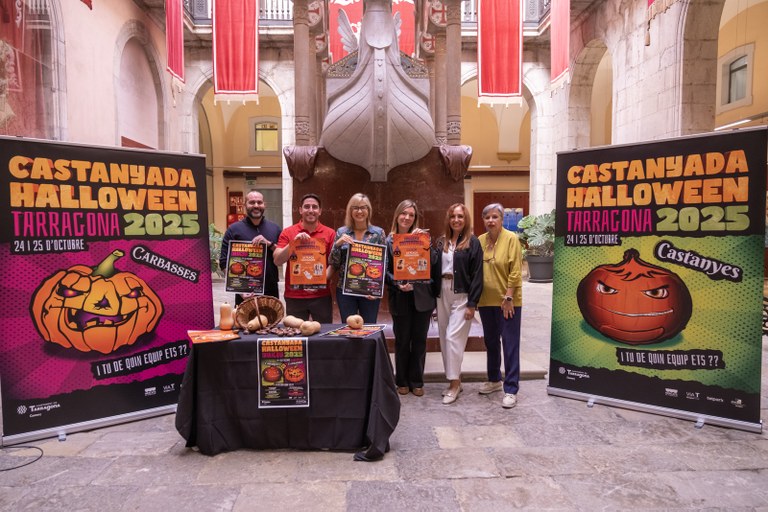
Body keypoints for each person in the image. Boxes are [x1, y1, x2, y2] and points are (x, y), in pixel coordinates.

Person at [385, 200, 439, 397]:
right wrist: (397, 283)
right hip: (400, 297)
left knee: (419, 341)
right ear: (397, 215)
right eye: (404, 213)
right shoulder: (388, 241)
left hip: (422, 298)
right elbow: (383, 271)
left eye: (411, 215)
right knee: (402, 341)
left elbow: (434, 263)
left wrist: (427, 244)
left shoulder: (422, 238)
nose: (407, 217)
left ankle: (417, 380)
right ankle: (401, 381)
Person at [434, 203, 483, 405]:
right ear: (448, 219)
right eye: (453, 216)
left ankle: (454, 385)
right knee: (444, 339)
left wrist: (472, 304)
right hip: (441, 294)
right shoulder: (441, 242)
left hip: (462, 294)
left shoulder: (473, 242)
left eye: (460, 216)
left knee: (453, 338)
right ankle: (456, 380)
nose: (456, 220)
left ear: (466, 219)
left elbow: (478, 274)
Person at [477, 203, 523, 409]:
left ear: (502, 219)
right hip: (486, 301)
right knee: (491, 342)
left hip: (508, 302)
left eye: (495, 217)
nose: (491, 220)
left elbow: (515, 271)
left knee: (510, 343)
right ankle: (494, 379)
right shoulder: (480, 241)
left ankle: (511, 388)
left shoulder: (511, 239)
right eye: (487, 217)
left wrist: (509, 297)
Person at [273, 193, 336, 323]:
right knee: (296, 333)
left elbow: (333, 264)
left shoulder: (330, 233)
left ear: (320, 211)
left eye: (314, 207)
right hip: (294, 295)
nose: (311, 210)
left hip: (321, 295)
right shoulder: (288, 232)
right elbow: (277, 260)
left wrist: (318, 282)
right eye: (307, 207)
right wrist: (293, 244)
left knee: (324, 332)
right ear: (300, 210)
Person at [329, 193, 386, 323]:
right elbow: (333, 262)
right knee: (348, 327)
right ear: (350, 211)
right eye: (355, 208)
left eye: (363, 207)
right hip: (346, 290)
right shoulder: (341, 232)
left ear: (368, 210)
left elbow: (384, 263)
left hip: (370, 290)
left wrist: (377, 290)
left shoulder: (378, 233)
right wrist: (337, 245)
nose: (359, 211)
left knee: (369, 327)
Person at [219, 190, 281, 301]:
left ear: (264, 205)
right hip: (245, 292)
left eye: (259, 202)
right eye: (252, 202)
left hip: (270, 291)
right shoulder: (233, 230)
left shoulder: (275, 229)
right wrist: (240, 290)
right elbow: (224, 262)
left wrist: (269, 244)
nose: (256, 205)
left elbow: (282, 257)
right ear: (245, 205)